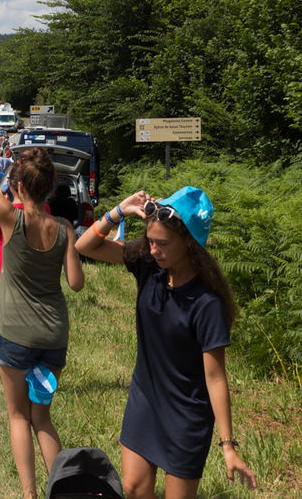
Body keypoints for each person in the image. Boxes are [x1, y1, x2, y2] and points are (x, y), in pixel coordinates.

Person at [75, 187, 257, 498]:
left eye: (162, 243)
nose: (154, 249)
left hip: (187, 415)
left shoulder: (206, 303)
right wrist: (118, 210)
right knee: (132, 489)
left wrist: (228, 446)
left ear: (189, 242)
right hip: (145, 398)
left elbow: (215, 378)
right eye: (150, 241)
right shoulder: (149, 266)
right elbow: (85, 246)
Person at [0, 98, 84, 499]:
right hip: (54, 337)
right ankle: (62, 490)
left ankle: (30, 494)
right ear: (50, 187)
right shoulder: (65, 227)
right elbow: (76, 282)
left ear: (16, 186)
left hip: (15, 335)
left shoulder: (10, 218)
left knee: (18, 416)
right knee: (42, 418)